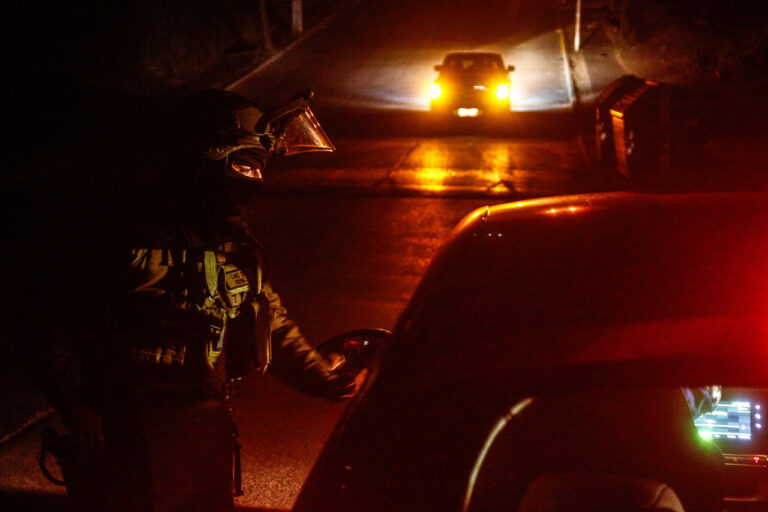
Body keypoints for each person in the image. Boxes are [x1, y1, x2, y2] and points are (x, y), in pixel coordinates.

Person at [17, 89, 365, 512]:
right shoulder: (114, 235)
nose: (253, 179)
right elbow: (39, 323)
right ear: (203, 156)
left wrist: (327, 379)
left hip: (205, 424)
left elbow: (270, 319)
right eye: (244, 164)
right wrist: (74, 409)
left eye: (257, 167)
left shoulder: (234, 242)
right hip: (127, 430)